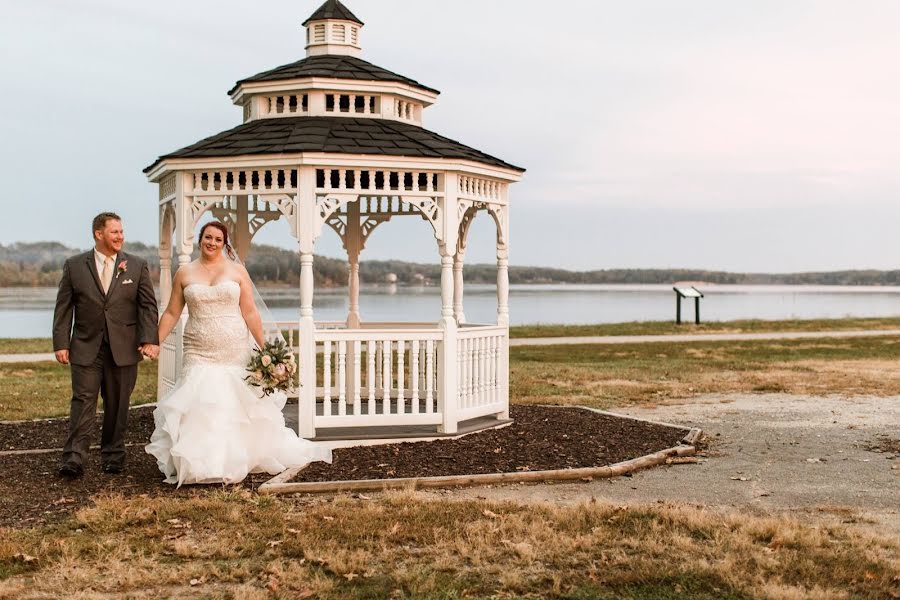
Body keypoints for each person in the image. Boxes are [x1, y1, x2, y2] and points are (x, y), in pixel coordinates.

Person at [145, 221, 331, 486]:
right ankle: (199, 464)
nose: (212, 243)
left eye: (218, 239)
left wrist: (265, 348)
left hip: (233, 348)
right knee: (199, 402)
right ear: (200, 240)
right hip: (198, 350)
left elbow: (251, 312)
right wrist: (156, 342)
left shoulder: (237, 272)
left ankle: (233, 460)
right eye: (207, 237)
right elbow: (173, 312)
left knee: (230, 404)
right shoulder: (184, 273)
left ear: (224, 244)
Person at [53, 212, 160, 478]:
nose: (120, 237)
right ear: (98, 234)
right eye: (114, 232)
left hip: (123, 348)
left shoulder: (136, 265)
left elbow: (148, 306)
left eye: (121, 232)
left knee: (118, 403)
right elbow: (64, 308)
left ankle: (113, 455)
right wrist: (61, 342)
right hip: (85, 347)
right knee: (83, 401)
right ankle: (74, 458)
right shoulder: (74, 265)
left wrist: (149, 338)